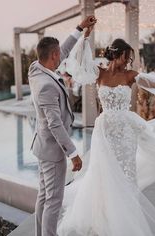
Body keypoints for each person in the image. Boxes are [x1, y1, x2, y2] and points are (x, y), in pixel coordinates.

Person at [57, 26, 155, 235]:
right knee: (103, 174)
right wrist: (84, 35)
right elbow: (80, 64)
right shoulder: (98, 72)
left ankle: (126, 223)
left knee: (126, 175)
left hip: (125, 132)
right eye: (127, 57)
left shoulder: (131, 75)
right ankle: (105, 219)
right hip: (104, 132)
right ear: (118, 54)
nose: (129, 61)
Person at [28, 16, 97, 236]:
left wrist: (79, 28)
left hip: (42, 146)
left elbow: (64, 50)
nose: (62, 56)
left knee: (44, 195)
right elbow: (55, 124)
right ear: (54, 56)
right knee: (54, 200)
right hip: (53, 150)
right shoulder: (46, 86)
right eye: (59, 54)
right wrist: (73, 153)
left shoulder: (36, 67)